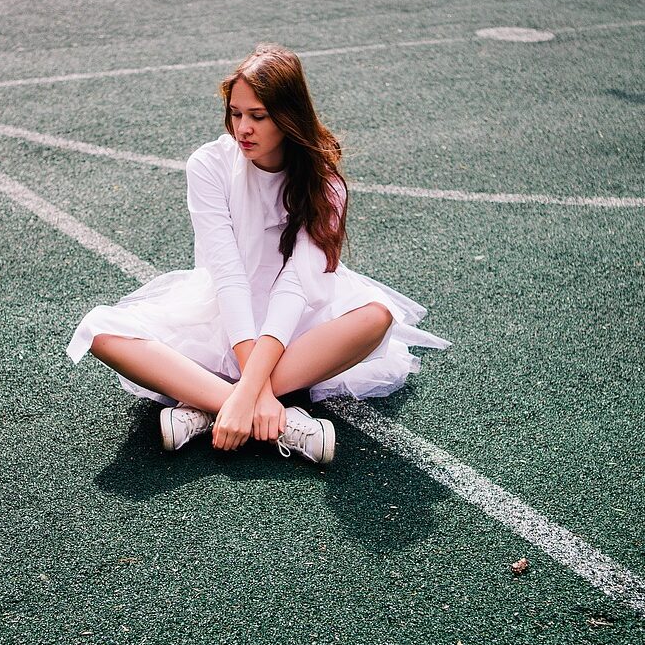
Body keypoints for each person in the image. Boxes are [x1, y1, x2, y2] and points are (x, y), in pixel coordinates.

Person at [66, 44, 450, 465]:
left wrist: (251, 388)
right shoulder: (209, 165)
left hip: (299, 318)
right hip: (224, 309)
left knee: (377, 316)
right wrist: (257, 394)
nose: (243, 128)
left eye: (258, 116)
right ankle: (273, 418)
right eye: (236, 114)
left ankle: (209, 407)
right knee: (100, 333)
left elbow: (297, 288)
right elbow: (228, 276)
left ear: (289, 117)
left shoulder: (325, 184)